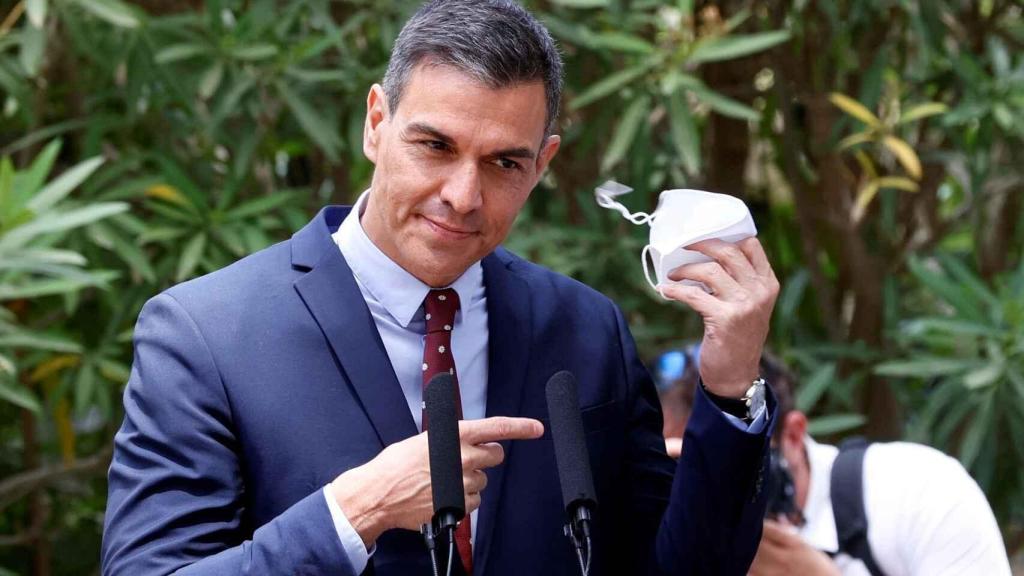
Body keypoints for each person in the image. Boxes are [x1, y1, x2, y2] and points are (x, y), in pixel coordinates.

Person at [100, 1, 783, 575]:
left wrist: (730, 387)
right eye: (435, 146)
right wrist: (358, 510)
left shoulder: (583, 327)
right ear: (377, 124)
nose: (462, 196)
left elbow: (683, 566)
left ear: (542, 164)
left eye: (503, 163)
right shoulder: (206, 332)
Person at [654, 349, 1012, 576]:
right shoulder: (659, 541)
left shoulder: (917, 492)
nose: (711, 489)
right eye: (688, 471)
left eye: (729, 467)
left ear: (793, 435)